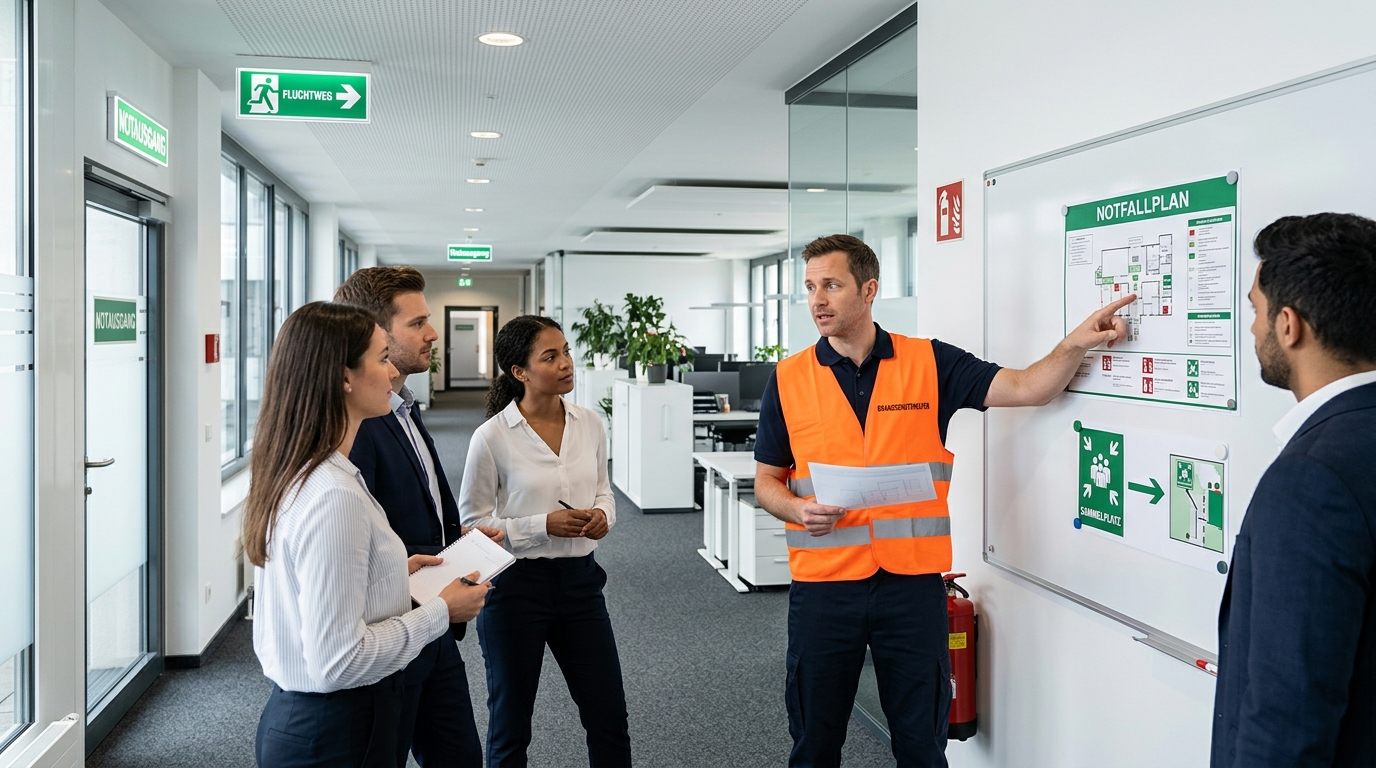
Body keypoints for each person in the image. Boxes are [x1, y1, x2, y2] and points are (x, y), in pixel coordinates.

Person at [753, 234, 1134, 768]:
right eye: (811, 287)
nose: (818, 299)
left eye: (832, 285)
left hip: (910, 591)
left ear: (868, 291)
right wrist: (795, 509)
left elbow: (1027, 388)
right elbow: (766, 481)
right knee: (815, 745)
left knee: (922, 746)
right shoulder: (788, 379)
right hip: (824, 589)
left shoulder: (929, 362)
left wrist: (1073, 345)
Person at [244, 301, 491, 768]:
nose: (392, 369)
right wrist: (442, 610)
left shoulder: (307, 473)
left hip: (317, 721)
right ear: (344, 378)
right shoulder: (333, 494)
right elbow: (340, 661)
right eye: (381, 358)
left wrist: (395, 571)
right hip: (337, 731)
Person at [1211, 213, 1376, 767]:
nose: (1253, 329)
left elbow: (1288, 717)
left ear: (1289, 325)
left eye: (1256, 312)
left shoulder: (1312, 479)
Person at [334, 266, 501, 768]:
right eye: (417, 323)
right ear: (373, 332)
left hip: (431, 625)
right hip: (389, 634)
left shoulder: (403, 406)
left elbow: (419, 500)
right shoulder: (356, 427)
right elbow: (355, 546)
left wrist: (458, 542)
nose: (432, 333)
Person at [458, 316, 632, 768]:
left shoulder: (590, 423)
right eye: (549, 356)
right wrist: (542, 525)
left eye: (566, 351)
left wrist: (602, 517)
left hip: (581, 585)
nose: (566, 364)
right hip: (516, 590)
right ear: (519, 372)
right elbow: (473, 526)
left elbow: (603, 491)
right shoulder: (492, 437)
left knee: (608, 717)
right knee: (511, 726)